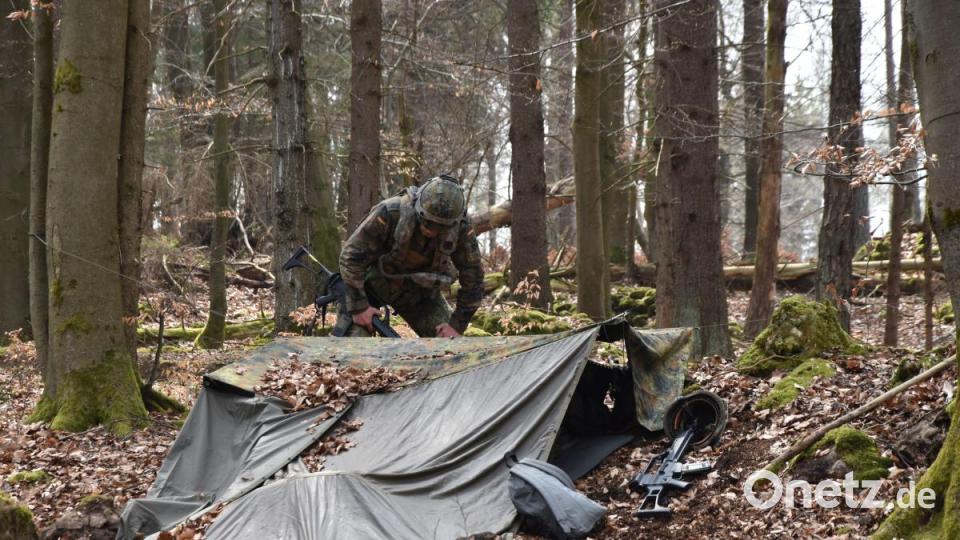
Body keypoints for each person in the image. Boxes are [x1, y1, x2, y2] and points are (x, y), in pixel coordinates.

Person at [336, 174, 484, 337]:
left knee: (449, 347)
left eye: (439, 227)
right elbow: (350, 257)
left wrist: (457, 325)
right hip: (370, 289)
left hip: (420, 295)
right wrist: (359, 307)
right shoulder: (390, 212)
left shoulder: (461, 228)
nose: (431, 231)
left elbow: (474, 279)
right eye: (427, 222)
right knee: (353, 348)